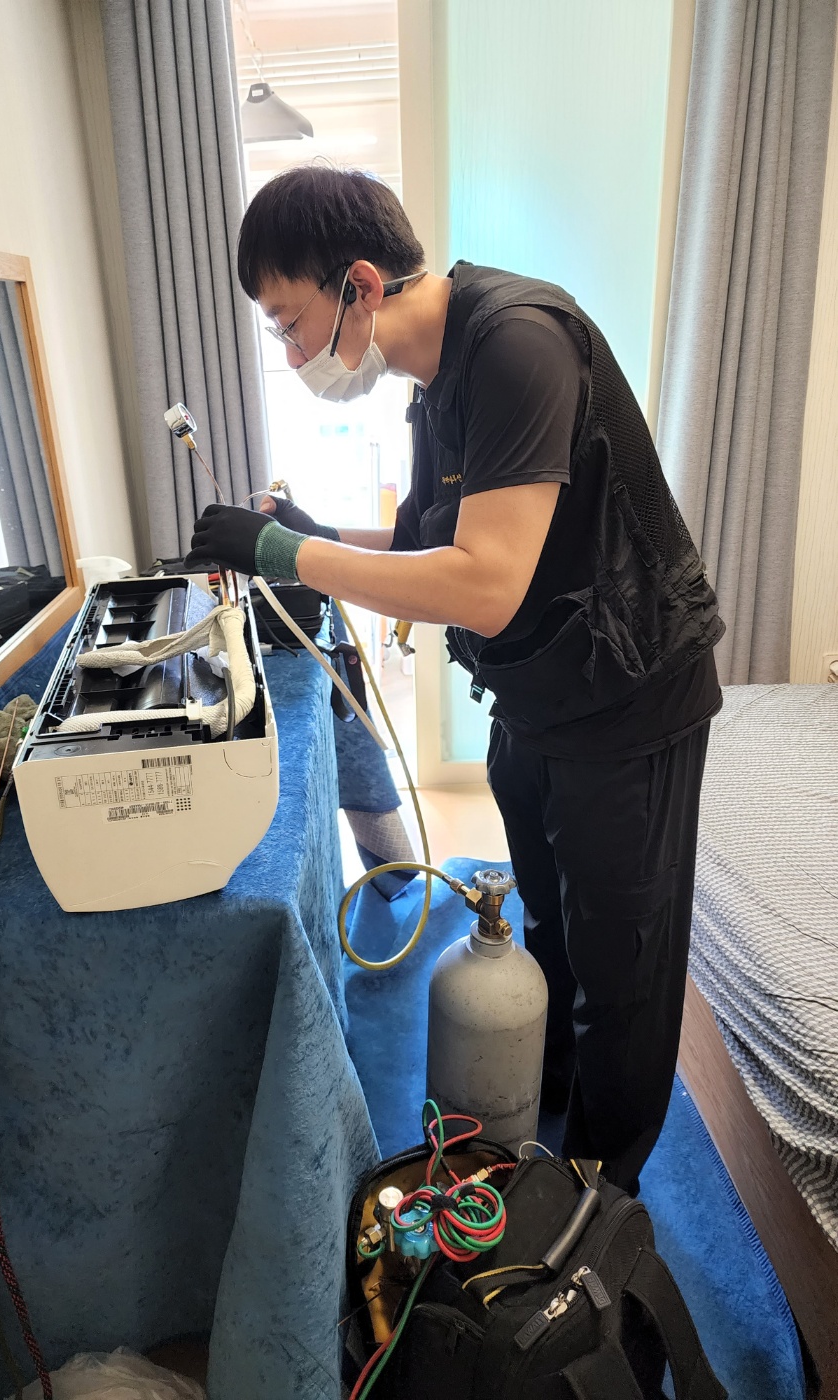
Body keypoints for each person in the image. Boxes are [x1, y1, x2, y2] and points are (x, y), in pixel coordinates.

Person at [185, 166, 724, 1196]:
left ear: (359, 283)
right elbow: (424, 546)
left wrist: (287, 554)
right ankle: (545, 1101)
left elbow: (482, 583)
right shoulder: (433, 387)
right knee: (548, 925)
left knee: (623, 973)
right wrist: (311, 535)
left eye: (292, 326)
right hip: (538, 693)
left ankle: (595, 1201)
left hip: (630, 698)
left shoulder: (519, 344)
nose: (292, 356)